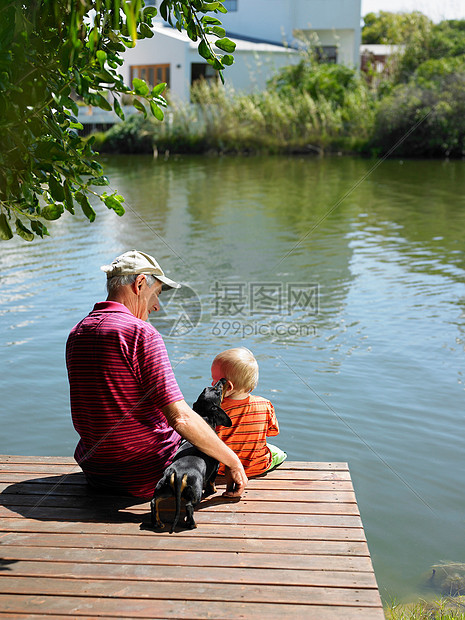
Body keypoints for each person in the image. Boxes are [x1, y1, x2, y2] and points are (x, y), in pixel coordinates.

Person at [66, 250, 247, 499]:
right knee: (208, 429)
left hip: (96, 472)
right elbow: (180, 419)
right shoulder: (140, 333)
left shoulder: (77, 333)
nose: (157, 307)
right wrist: (233, 462)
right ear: (140, 284)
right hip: (146, 475)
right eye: (157, 294)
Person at [211, 347, 287, 477]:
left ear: (229, 386)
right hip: (258, 466)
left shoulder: (214, 408)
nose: (212, 383)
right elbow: (272, 432)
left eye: (214, 380)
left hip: (221, 470)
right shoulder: (265, 404)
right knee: (278, 452)